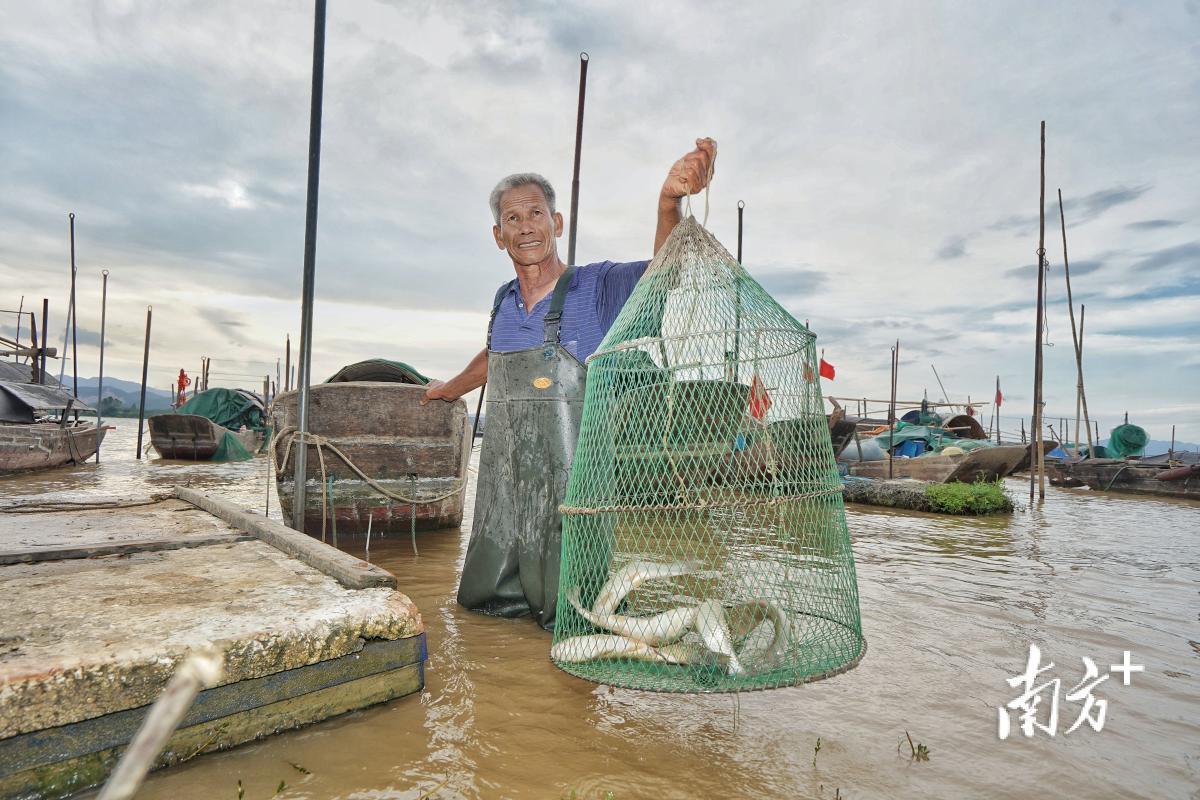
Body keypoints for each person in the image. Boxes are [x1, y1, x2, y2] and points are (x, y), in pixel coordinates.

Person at [424, 138, 716, 629]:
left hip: (574, 502)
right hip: (506, 505)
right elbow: (493, 357)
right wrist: (448, 389)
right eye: (512, 220)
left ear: (556, 224)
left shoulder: (597, 286)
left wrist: (669, 203)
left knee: (577, 618)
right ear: (499, 236)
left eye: (535, 214)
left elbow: (664, 273)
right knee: (482, 624)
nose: (525, 228)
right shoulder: (502, 301)